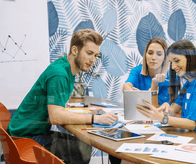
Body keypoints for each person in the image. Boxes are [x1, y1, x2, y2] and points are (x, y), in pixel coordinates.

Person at [7, 29, 118, 164]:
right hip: (24, 138)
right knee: (82, 150)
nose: (93, 60)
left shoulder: (66, 69)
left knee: (82, 148)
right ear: (75, 50)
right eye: (89, 53)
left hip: (27, 132)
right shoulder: (59, 74)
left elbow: (57, 106)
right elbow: (56, 116)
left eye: (95, 55)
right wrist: (96, 118)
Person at [136, 39, 196, 148]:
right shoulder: (188, 85)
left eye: (177, 60)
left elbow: (192, 124)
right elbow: (172, 112)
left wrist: (162, 118)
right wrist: (165, 107)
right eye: (171, 62)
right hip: (192, 140)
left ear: (189, 58)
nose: (173, 67)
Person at [123, 37, 170, 108]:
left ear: (164, 57)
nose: (154, 57)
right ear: (145, 55)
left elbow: (157, 108)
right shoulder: (137, 70)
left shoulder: (169, 78)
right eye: (150, 53)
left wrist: (139, 96)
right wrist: (132, 92)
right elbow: (126, 87)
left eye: (159, 54)